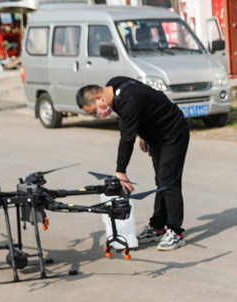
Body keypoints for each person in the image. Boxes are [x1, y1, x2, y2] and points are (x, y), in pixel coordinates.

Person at [76, 78, 190, 251]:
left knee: (169, 181)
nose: (97, 115)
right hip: (157, 135)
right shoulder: (114, 84)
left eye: (94, 112)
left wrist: (120, 171)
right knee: (161, 182)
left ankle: (176, 232)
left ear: (99, 98)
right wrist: (145, 135)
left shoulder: (128, 101)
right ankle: (157, 227)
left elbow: (127, 138)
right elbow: (146, 101)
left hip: (173, 132)